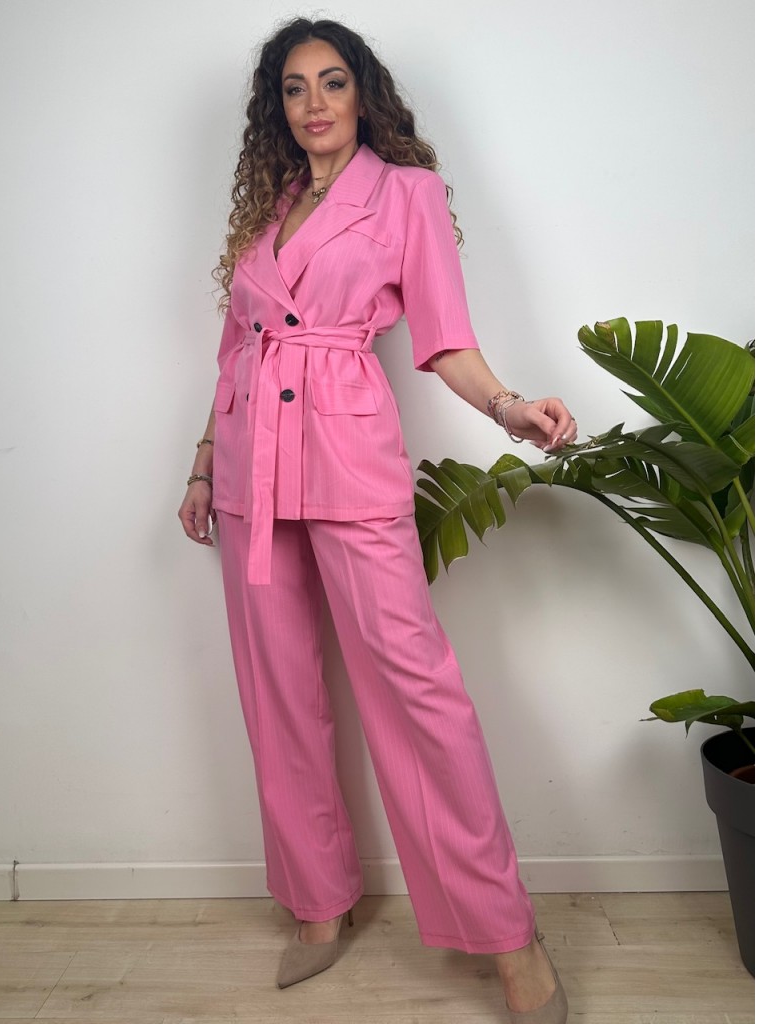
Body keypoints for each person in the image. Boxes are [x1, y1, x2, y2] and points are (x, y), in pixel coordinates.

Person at [178, 17, 576, 1022]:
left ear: (363, 93)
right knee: (276, 689)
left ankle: (508, 934)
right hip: (249, 470)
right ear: (276, 108)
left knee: (416, 689)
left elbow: (443, 339)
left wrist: (508, 407)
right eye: (294, 88)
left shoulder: (406, 193)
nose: (313, 103)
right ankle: (317, 902)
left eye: (331, 82)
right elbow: (236, 349)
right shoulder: (269, 208)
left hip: (348, 459)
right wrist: (202, 463)